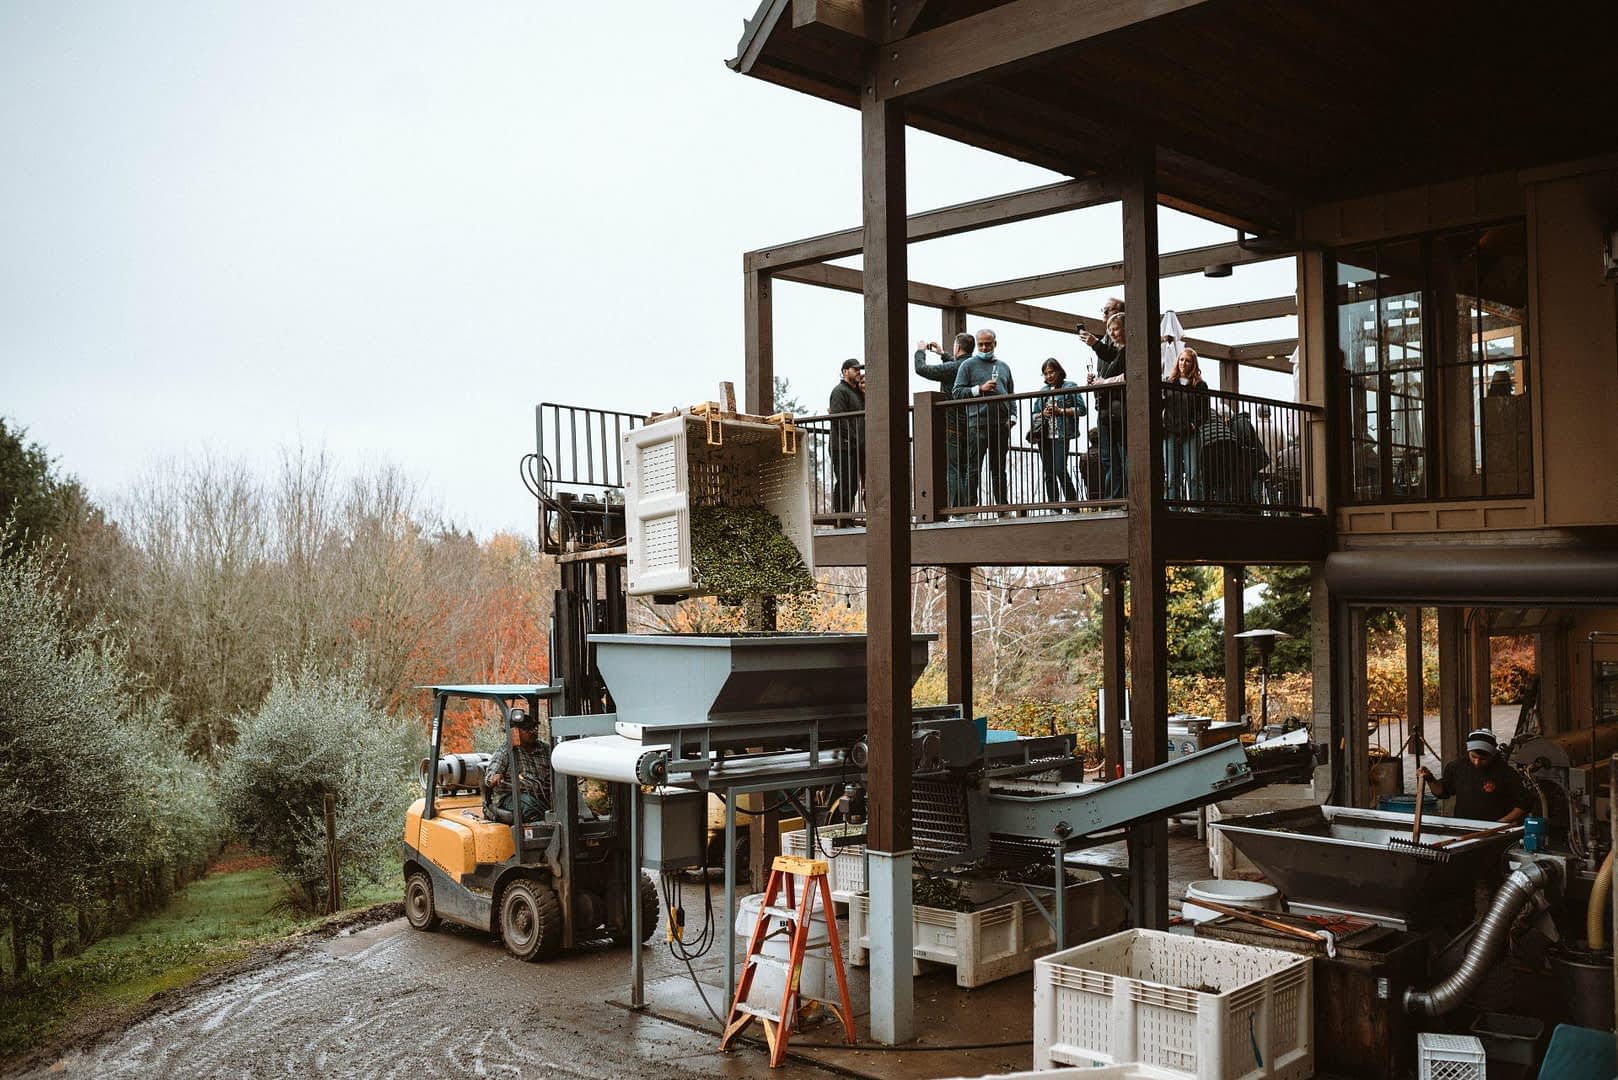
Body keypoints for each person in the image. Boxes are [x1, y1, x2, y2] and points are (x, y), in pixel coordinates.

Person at [950, 329, 1015, 511]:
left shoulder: (1004, 367)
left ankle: (1002, 507)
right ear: (977, 345)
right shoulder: (967, 365)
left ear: (995, 343)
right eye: (981, 344)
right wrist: (979, 389)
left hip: (1000, 425)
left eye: (988, 344)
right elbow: (957, 392)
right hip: (977, 424)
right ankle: (971, 508)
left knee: (999, 469)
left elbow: (1010, 394)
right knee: (974, 468)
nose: (985, 347)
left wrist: (1013, 416)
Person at [1417, 730, 1532, 824]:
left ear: (1492, 754)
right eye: (1473, 757)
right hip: (1463, 826)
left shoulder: (1505, 772)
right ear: (1468, 751)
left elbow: (1523, 804)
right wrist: (1430, 778)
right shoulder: (1457, 767)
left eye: (1483, 759)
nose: (1477, 762)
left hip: (1494, 830)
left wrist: (1499, 823)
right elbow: (1442, 792)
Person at [916, 333, 975, 509]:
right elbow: (957, 365)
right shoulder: (974, 366)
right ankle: (970, 507)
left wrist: (920, 351)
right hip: (973, 422)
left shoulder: (953, 368)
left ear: (957, 347)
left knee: (954, 468)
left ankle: (958, 509)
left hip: (953, 423)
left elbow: (922, 369)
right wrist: (943, 354)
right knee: (967, 467)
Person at [1079, 314, 1128, 498]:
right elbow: (1109, 356)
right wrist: (1097, 381)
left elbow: (1127, 375)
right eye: (1110, 329)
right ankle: (1113, 499)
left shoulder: (1128, 351)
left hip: (1120, 413)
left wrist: (1103, 382)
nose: (1112, 333)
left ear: (1125, 328)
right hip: (1106, 413)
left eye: (1115, 328)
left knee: (1123, 458)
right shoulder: (1117, 353)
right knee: (1110, 459)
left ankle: (1123, 498)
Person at [1033, 357, 1085, 506]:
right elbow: (1034, 413)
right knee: (1049, 473)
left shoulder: (1070, 386)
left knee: (1060, 469)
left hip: (1061, 435)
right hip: (1044, 435)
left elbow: (1081, 410)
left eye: (1051, 372)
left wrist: (1060, 411)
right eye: (1045, 373)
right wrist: (1043, 413)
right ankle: (1054, 506)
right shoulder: (1043, 391)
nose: (1049, 376)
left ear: (1058, 371)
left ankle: (1073, 504)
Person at [488, 707, 551, 823]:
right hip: (511, 796)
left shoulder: (546, 750)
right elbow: (490, 776)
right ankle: (538, 834)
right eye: (527, 729)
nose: (533, 732)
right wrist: (495, 776)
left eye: (534, 728)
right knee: (530, 805)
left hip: (541, 795)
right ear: (515, 732)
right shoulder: (506, 751)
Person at [1163, 348, 1210, 503]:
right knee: (1171, 475)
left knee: (1194, 474)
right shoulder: (1169, 383)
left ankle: (1196, 507)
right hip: (1170, 433)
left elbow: (1204, 413)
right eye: (1181, 359)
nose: (1183, 363)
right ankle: (1173, 507)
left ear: (1193, 364)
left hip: (1190, 434)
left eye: (1187, 360)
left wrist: (1192, 425)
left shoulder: (1200, 385)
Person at [828, 359, 865, 518]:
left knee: (851, 485)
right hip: (842, 446)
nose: (858, 372)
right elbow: (839, 419)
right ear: (844, 371)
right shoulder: (839, 391)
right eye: (854, 369)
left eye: (859, 369)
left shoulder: (855, 393)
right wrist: (853, 438)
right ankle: (842, 519)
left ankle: (846, 518)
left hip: (853, 446)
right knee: (844, 483)